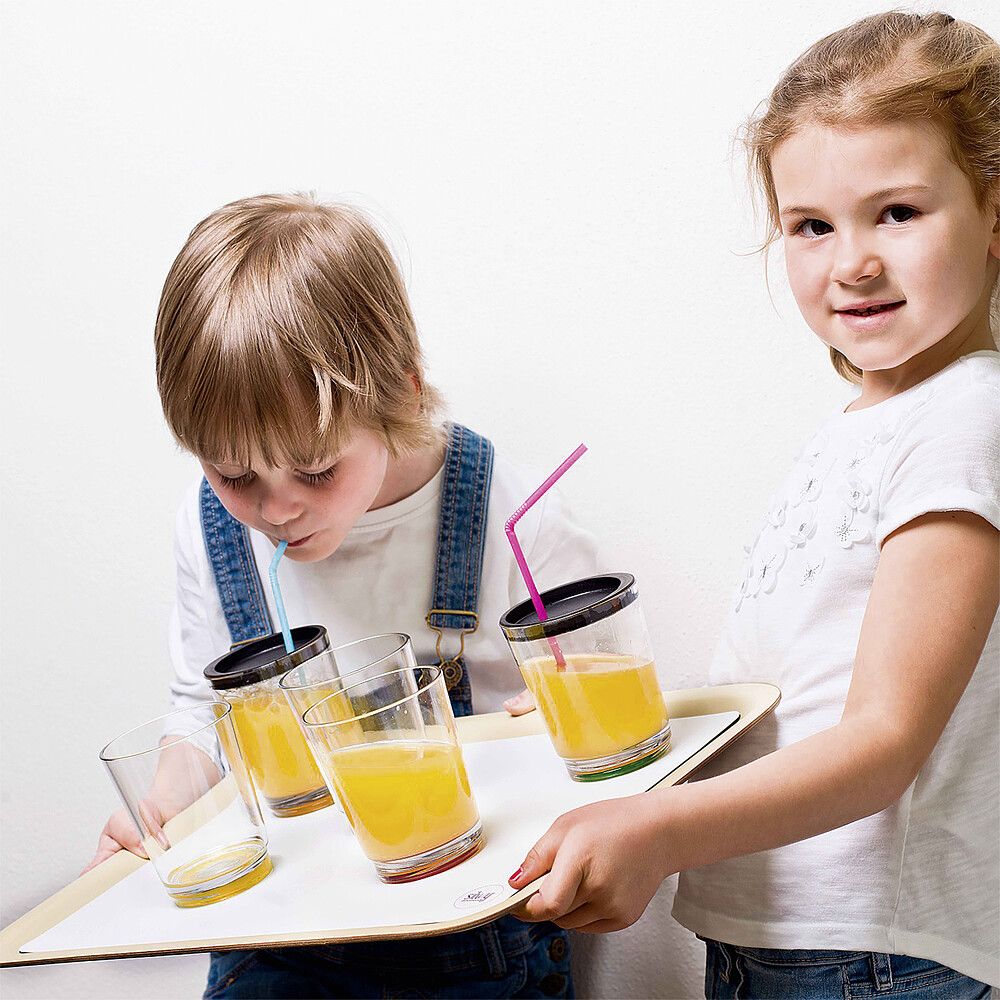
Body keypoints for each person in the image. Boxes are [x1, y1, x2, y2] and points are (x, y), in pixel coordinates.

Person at [507, 12, 1000, 998]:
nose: (850, 260)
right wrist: (646, 731)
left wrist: (652, 825)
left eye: (895, 212)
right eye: (811, 225)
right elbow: (805, 695)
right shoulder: (866, 423)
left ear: (993, 211)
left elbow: (879, 743)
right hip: (787, 939)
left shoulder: (965, 418)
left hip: (871, 955)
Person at [84, 193, 598, 998]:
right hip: (277, 942)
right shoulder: (209, 531)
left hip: (465, 938)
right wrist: (167, 806)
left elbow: (588, 724)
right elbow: (200, 708)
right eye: (233, 475)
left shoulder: (508, 512)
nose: (276, 508)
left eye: (317, 470)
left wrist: (549, 726)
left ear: (400, 390)